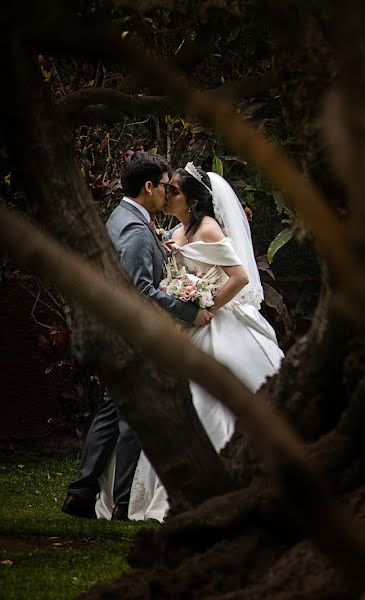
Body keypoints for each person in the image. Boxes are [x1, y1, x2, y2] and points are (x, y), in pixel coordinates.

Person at [97, 162, 283, 522]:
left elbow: (240, 276)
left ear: (193, 201)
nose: (168, 195)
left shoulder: (209, 229)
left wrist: (207, 306)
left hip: (215, 324)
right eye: (168, 189)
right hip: (184, 324)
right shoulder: (176, 230)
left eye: (175, 191)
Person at [62, 152, 213, 521]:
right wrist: (189, 312)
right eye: (165, 186)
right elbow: (140, 288)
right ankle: (123, 502)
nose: (168, 193)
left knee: (112, 413)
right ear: (149, 187)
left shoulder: (127, 218)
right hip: (132, 334)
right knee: (132, 418)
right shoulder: (133, 227)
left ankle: (82, 494)